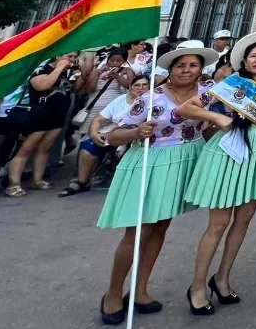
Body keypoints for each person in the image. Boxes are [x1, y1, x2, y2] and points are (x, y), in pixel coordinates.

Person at [95, 41, 220, 324]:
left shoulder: (206, 94)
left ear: (201, 69)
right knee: (138, 231)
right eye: (181, 65)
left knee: (162, 226)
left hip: (183, 162)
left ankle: (139, 290)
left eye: (193, 65)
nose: (187, 70)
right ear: (171, 68)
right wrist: (137, 131)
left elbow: (211, 122)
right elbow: (113, 135)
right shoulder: (151, 98)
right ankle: (113, 293)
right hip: (152, 164)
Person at [177, 32, 256, 313]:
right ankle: (198, 286)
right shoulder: (232, 83)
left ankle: (222, 278)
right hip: (230, 150)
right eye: (253, 56)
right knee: (219, 222)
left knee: (244, 219)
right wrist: (217, 116)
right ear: (245, 61)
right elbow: (186, 107)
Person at [61, 73, 152, 197]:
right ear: (130, 87)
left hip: (138, 139)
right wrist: (93, 134)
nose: (141, 88)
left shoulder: (153, 101)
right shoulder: (120, 100)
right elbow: (98, 119)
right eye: (137, 85)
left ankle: (127, 187)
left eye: (144, 85)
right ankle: (82, 182)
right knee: (88, 146)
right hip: (115, 135)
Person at [5, 53, 81, 197]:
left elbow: (75, 89)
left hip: (57, 117)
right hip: (39, 116)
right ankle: (13, 184)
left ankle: (37, 180)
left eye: (74, 56)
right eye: (69, 56)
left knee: (45, 148)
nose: (72, 59)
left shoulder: (66, 72)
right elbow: (41, 85)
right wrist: (58, 69)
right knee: (26, 149)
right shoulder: (42, 69)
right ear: (57, 56)